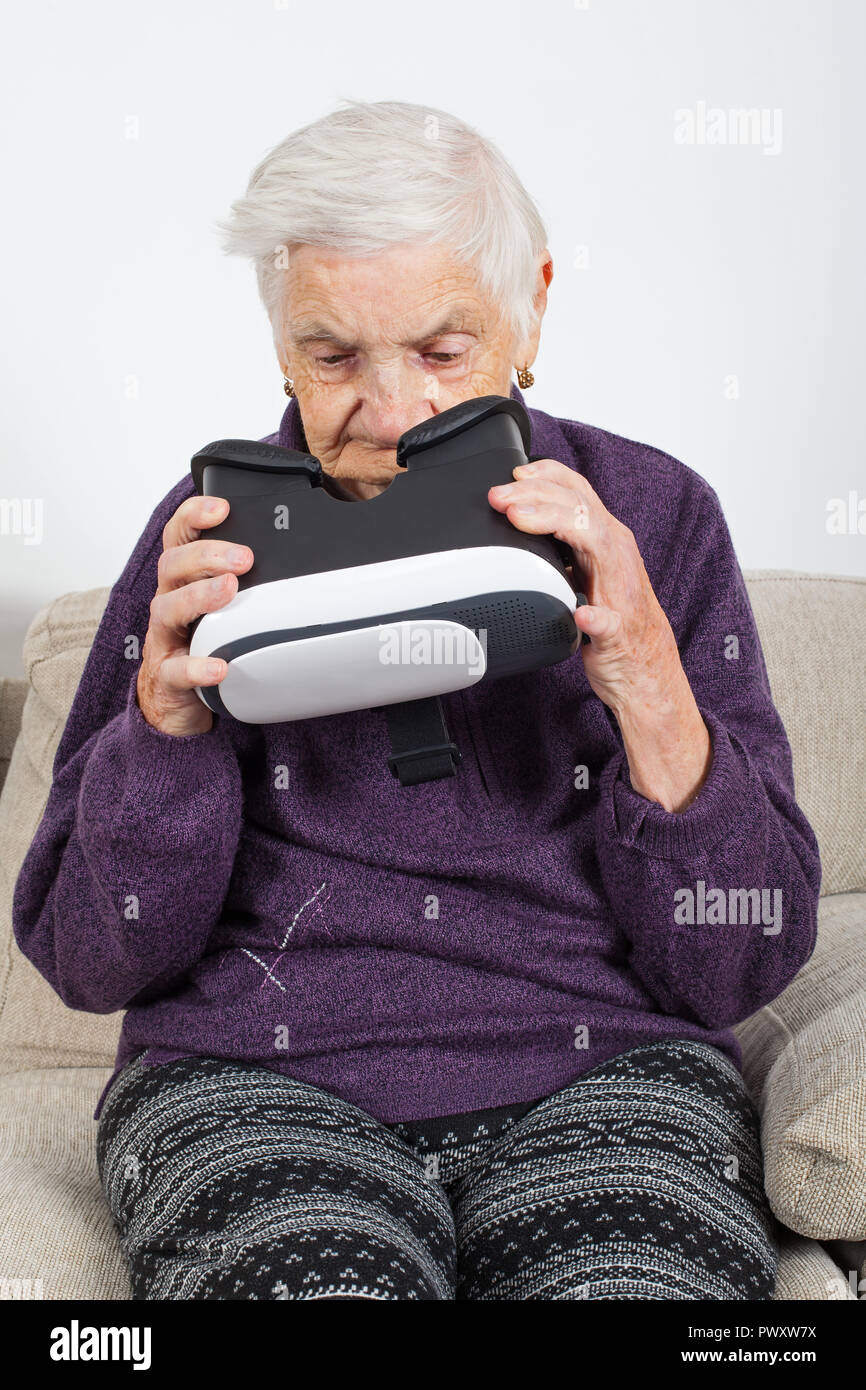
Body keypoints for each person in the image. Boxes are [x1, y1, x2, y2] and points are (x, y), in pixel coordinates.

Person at [13, 99, 821, 1301]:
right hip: (255, 1081)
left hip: (603, 1078)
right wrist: (164, 733)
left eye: (443, 351)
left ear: (531, 305)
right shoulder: (205, 541)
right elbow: (88, 957)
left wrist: (648, 678)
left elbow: (741, 959)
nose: (388, 417)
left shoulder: (653, 514)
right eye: (332, 356)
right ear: (278, 342)